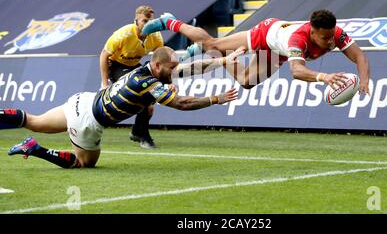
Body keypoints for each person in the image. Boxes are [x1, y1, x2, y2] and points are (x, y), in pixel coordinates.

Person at [2, 47, 241, 169]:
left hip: (83, 100)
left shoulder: (147, 69)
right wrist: (216, 99)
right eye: (171, 67)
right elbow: (182, 103)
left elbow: (190, 68)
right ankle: (35, 148)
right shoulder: (147, 83)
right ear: (158, 65)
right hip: (88, 120)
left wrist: (222, 61)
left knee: (33, 121)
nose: (175, 71)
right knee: (84, 163)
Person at [142, 10, 371, 94]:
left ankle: (209, 53)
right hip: (266, 32)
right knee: (213, 42)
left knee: (246, 82)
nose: (330, 41)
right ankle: (169, 22)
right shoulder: (298, 40)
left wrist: (364, 80)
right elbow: (297, 71)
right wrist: (324, 77)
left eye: (331, 36)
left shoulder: (336, 34)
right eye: (324, 37)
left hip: (277, 51)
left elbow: (359, 55)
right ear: (312, 32)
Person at [99, 5, 164, 149]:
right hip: (116, 66)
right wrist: (104, 83)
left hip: (135, 66)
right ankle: (142, 135)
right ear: (136, 21)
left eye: (151, 22)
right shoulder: (123, 34)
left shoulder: (156, 36)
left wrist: (166, 81)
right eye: (144, 21)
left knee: (150, 107)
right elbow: (104, 55)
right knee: (140, 97)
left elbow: (160, 60)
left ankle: (137, 132)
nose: (148, 25)